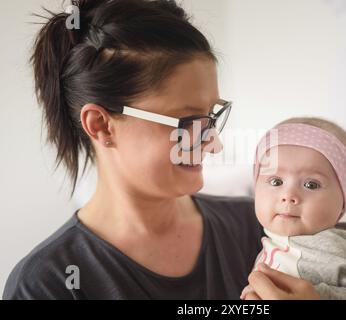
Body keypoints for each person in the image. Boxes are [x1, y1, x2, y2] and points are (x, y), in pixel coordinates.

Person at [3, 0, 319, 300]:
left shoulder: (259, 229)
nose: (213, 143)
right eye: (190, 121)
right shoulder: (48, 284)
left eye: (212, 117)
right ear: (100, 125)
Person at [241, 117, 346, 300]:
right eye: (276, 181)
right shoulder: (272, 240)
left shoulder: (335, 247)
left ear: (343, 202)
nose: (288, 195)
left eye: (311, 185)